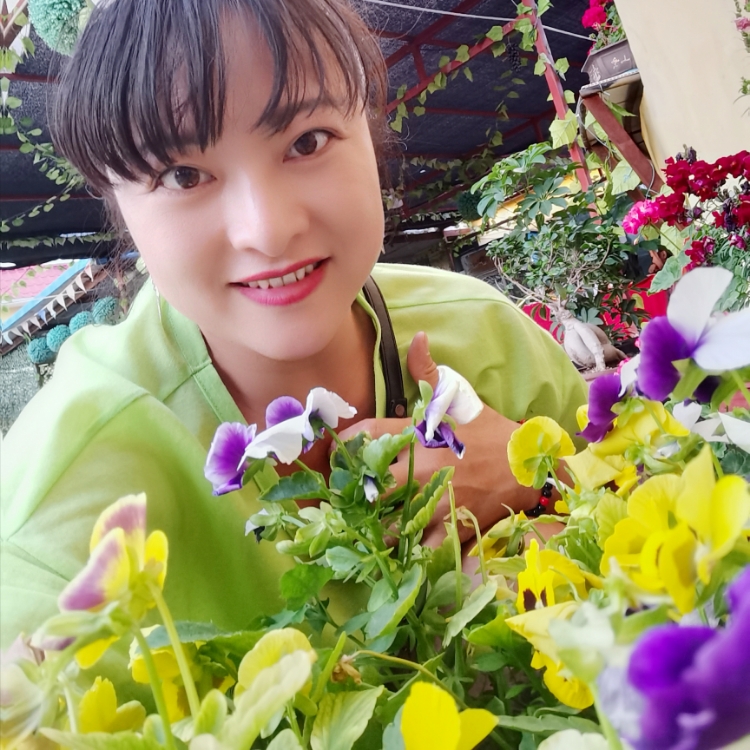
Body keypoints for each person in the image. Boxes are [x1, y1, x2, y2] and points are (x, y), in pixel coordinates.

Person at [0, 0, 586, 670]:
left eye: (307, 141)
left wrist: (536, 472)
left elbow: (657, 504)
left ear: (370, 129)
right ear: (117, 203)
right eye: (183, 175)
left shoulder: (485, 334)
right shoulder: (58, 512)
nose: (268, 230)